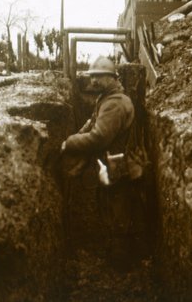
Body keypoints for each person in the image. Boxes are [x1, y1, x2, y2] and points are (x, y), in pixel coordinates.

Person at [61, 56, 140, 270]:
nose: (93, 81)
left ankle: (120, 262)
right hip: (112, 163)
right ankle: (115, 254)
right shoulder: (107, 98)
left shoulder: (115, 104)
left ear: (112, 78)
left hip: (119, 165)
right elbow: (92, 122)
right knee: (109, 204)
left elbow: (99, 137)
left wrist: (69, 143)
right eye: (92, 76)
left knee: (117, 208)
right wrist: (79, 134)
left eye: (99, 77)